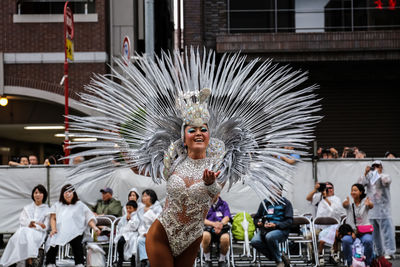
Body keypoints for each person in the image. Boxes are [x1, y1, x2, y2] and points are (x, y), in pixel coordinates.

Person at [64, 49, 320, 267]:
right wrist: (122, 141)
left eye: (203, 129)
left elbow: (213, 190)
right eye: (192, 129)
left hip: (193, 235)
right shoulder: (172, 160)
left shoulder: (220, 163)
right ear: (184, 136)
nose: (198, 132)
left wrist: (209, 183)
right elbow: (140, 169)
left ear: (209, 134)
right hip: (162, 233)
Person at [45, 184, 101, 267]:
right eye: (65, 192)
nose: (68, 194)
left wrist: (95, 227)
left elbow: (88, 217)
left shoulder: (80, 205)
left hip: (76, 231)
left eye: (70, 192)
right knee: (52, 239)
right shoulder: (57, 205)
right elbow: (53, 218)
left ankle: (79, 263)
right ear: (62, 194)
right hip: (60, 231)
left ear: (74, 193)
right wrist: (53, 229)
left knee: (77, 241)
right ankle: (50, 263)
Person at [0, 185, 50, 267]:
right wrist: (34, 223)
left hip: (39, 233)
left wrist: (34, 225)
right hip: (25, 231)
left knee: (25, 233)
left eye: (40, 193)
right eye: (36, 192)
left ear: (44, 195)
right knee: (16, 237)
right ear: (33, 194)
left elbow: (46, 226)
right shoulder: (27, 208)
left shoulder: (47, 209)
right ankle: (17, 261)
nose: (38, 195)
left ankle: (23, 261)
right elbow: (22, 220)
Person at [358, 160, 396, 260]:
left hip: (384, 210)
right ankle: (378, 252)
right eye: (373, 166)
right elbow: (360, 185)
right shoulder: (369, 177)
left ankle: (390, 251)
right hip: (372, 209)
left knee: (387, 232)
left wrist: (378, 173)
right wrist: (366, 173)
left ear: (381, 167)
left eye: (377, 166)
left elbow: (386, 181)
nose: (375, 167)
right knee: (374, 233)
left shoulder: (385, 175)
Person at [251, 184, 292, 267]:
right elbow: (257, 218)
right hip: (265, 230)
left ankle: (279, 261)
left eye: (274, 189)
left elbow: (289, 221)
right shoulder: (265, 203)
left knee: (270, 237)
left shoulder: (286, 203)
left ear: (280, 191)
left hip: (280, 230)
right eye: (270, 189)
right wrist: (258, 223)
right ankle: (279, 256)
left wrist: (275, 225)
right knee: (254, 241)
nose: (272, 191)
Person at [307, 182, 344, 264]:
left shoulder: (336, 199)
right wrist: (315, 190)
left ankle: (332, 254)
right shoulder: (319, 196)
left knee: (334, 234)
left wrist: (325, 198)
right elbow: (308, 198)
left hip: (333, 227)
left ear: (333, 189)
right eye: (326, 188)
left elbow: (333, 210)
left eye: (330, 188)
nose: (329, 190)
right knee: (311, 236)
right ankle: (316, 255)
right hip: (320, 227)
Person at [341, 184, 374, 267]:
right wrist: (345, 203)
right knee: (345, 240)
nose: (353, 192)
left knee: (368, 241)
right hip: (351, 232)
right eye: (352, 190)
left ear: (361, 192)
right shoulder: (349, 201)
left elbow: (371, 206)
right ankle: (350, 263)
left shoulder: (365, 202)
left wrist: (369, 204)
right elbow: (344, 205)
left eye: (355, 190)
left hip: (364, 232)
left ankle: (368, 263)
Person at [202, 193, 232, 267]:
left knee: (225, 239)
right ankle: (207, 259)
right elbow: (202, 219)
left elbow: (227, 217)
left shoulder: (224, 204)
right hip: (209, 228)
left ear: (218, 194)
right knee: (205, 236)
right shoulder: (204, 204)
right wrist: (213, 224)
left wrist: (220, 224)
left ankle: (222, 260)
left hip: (221, 229)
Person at [137, 189, 162, 267]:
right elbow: (140, 224)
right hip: (145, 233)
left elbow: (158, 221)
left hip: (155, 232)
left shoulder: (157, 207)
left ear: (151, 197)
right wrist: (143, 233)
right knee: (141, 240)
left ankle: (152, 261)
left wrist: (149, 212)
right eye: (143, 196)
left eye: (146, 196)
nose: (143, 198)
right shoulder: (140, 209)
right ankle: (145, 261)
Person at [115, 200, 140, 267]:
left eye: (130, 208)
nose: (128, 210)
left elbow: (135, 227)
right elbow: (120, 225)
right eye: (127, 208)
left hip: (134, 234)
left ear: (135, 209)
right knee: (120, 241)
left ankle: (133, 262)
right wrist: (126, 220)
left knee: (133, 245)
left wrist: (129, 220)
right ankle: (120, 258)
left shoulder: (137, 216)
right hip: (124, 233)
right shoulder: (125, 216)